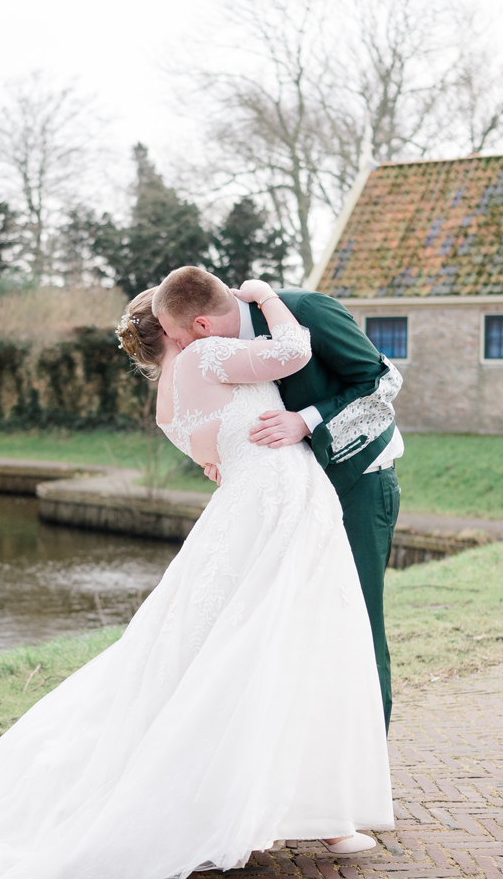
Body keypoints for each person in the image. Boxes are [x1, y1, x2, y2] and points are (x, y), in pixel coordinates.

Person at [0, 279, 392, 879]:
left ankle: (274, 804)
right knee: (283, 643)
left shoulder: (169, 401)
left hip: (245, 516)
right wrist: (264, 296)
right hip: (277, 509)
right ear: (183, 330)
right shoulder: (209, 355)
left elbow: (216, 455)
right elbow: (292, 353)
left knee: (237, 650)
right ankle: (303, 811)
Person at [152, 265, 404, 726]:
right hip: (290, 500)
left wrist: (306, 421)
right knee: (295, 624)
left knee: (355, 620)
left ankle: (368, 745)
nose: (180, 348)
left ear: (202, 324)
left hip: (358, 483)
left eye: (178, 337)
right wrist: (225, 454)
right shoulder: (219, 353)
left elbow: (381, 382)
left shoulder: (306, 310)